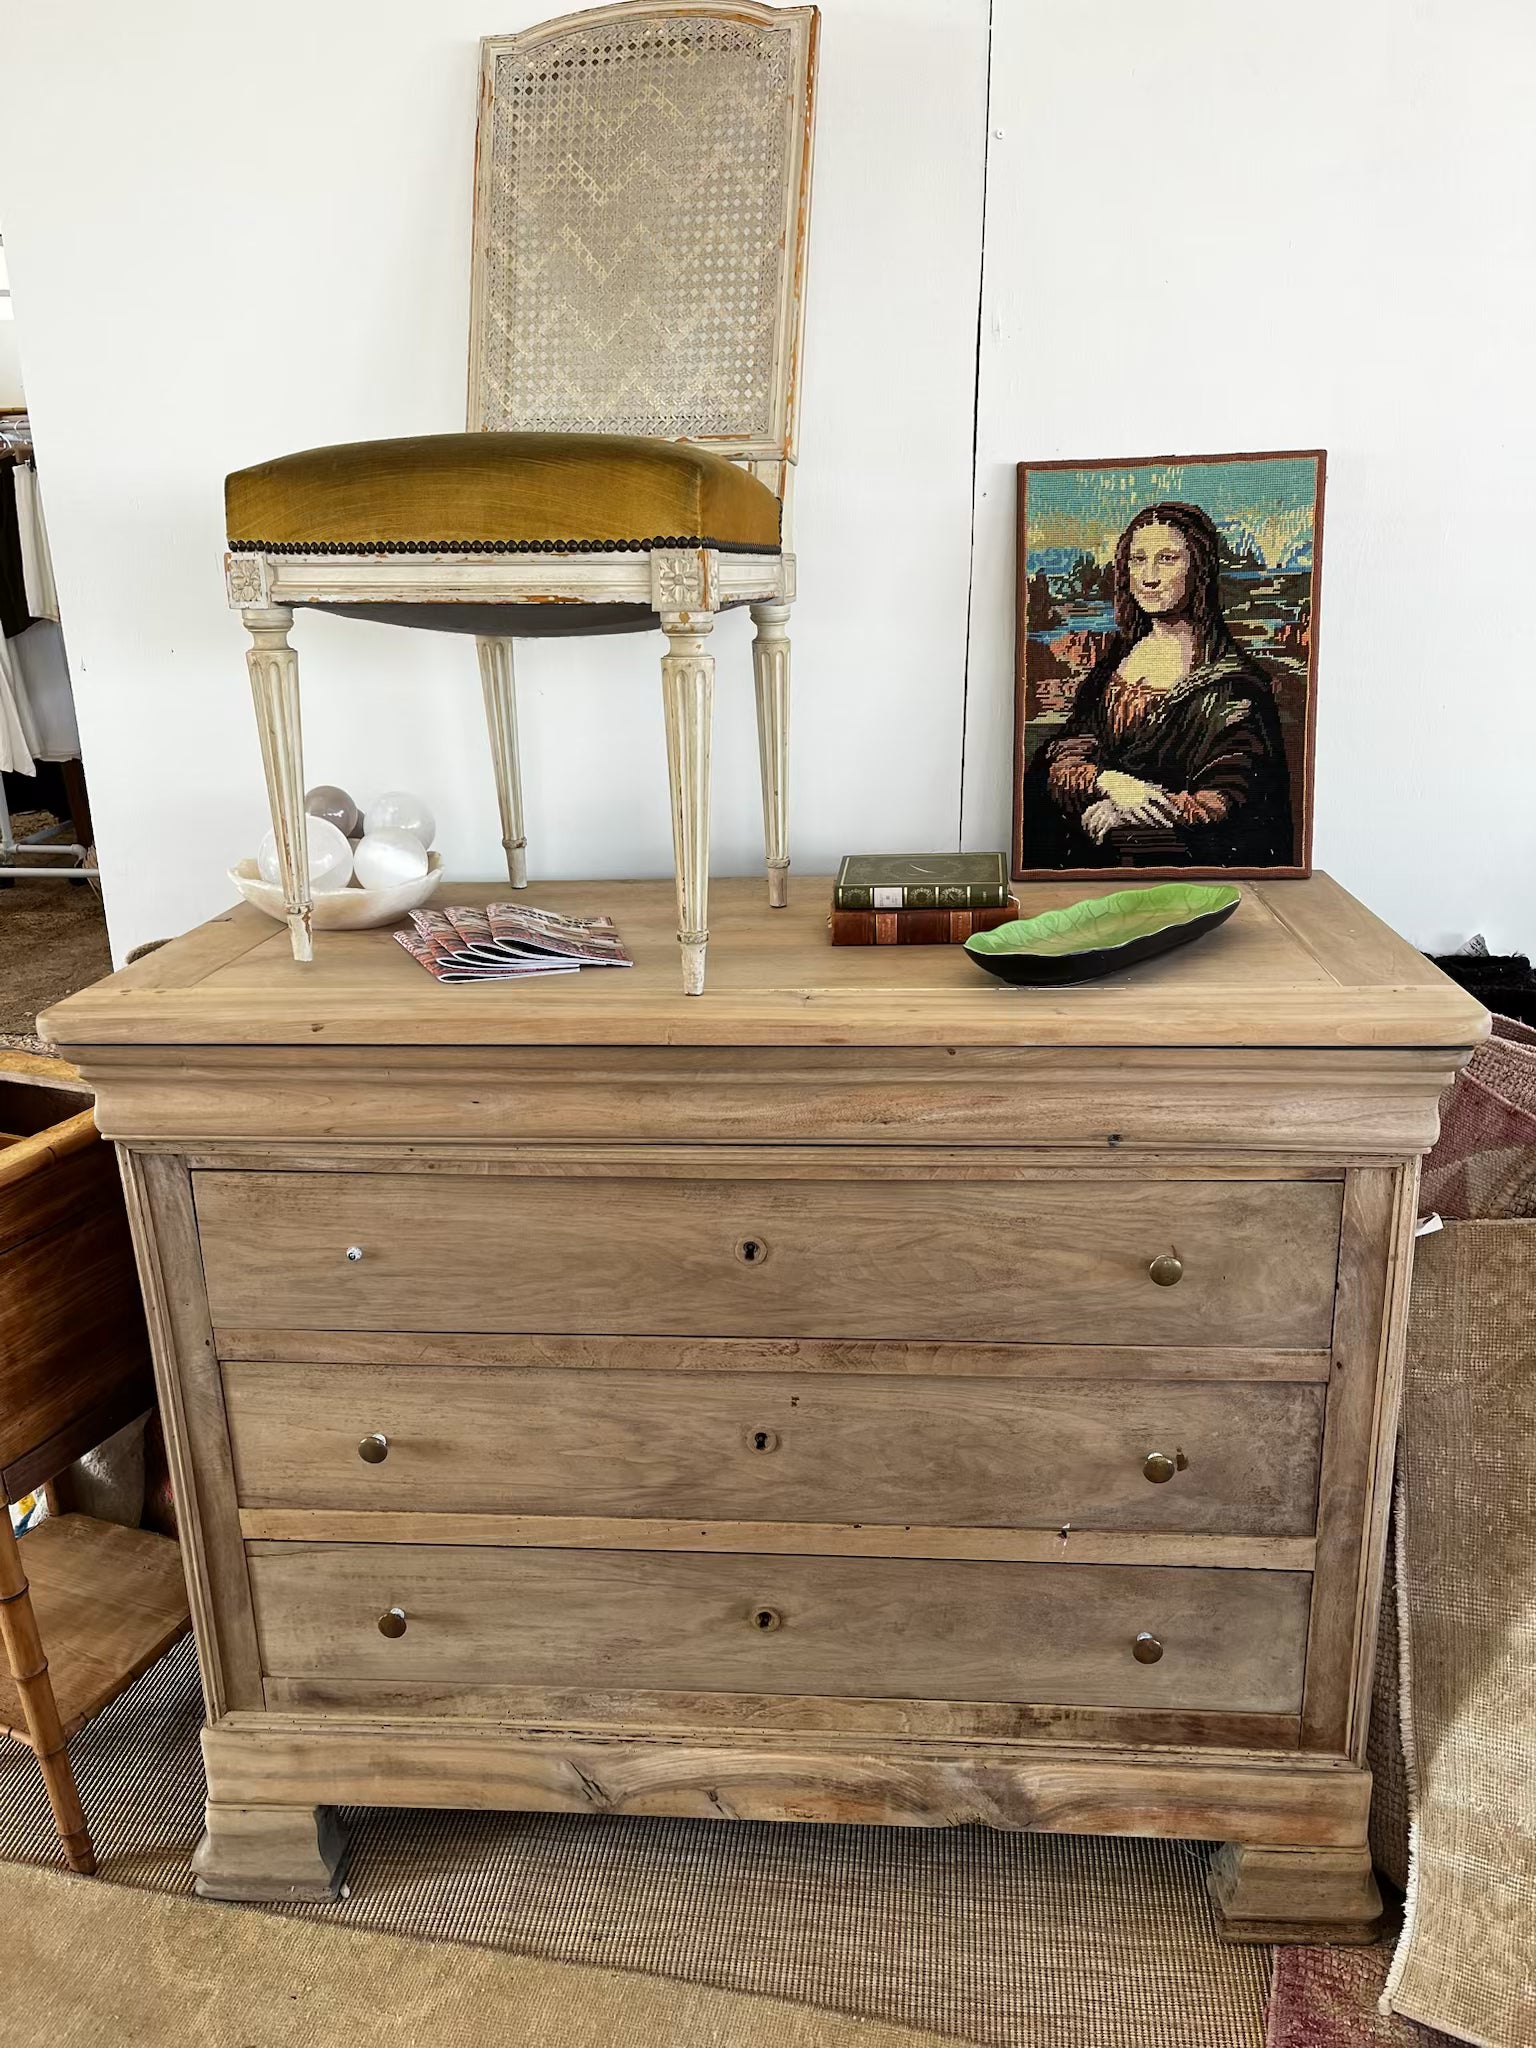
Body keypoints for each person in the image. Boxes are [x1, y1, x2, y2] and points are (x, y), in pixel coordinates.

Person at [1022, 500, 1294, 869]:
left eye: (1166, 558)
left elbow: (1226, 803)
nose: (1148, 576)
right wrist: (1109, 782)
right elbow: (1064, 754)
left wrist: (1128, 811)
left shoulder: (1234, 685)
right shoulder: (1117, 660)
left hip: (1181, 869)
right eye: (1137, 559)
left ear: (1198, 567)